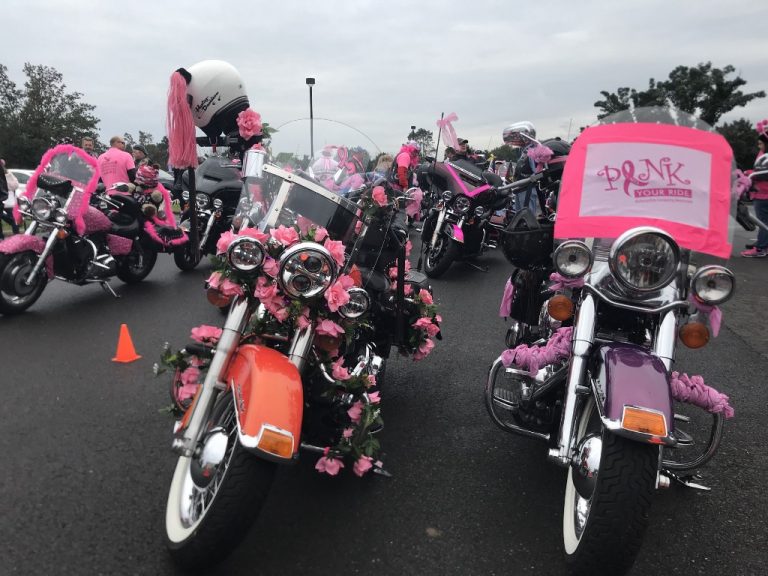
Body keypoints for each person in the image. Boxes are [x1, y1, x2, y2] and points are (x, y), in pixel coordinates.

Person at [741, 129, 768, 257]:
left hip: (763, 193)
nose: (759, 146)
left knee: (763, 222)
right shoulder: (763, 154)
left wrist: (749, 174)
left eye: (760, 144)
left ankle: (761, 248)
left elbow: (762, 173)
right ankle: (763, 244)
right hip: (761, 192)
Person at [503, 121, 538, 213]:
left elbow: (536, 172)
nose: (515, 138)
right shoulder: (524, 151)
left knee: (527, 215)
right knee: (519, 215)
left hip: (527, 189)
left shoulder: (532, 150)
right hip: (520, 188)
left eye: (517, 135)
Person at [0, 159, 18, 239]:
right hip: (5, 198)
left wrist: (7, 187)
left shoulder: (8, 173)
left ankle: (16, 235)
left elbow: (15, 185)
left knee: (12, 218)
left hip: (8, 199)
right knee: (10, 217)